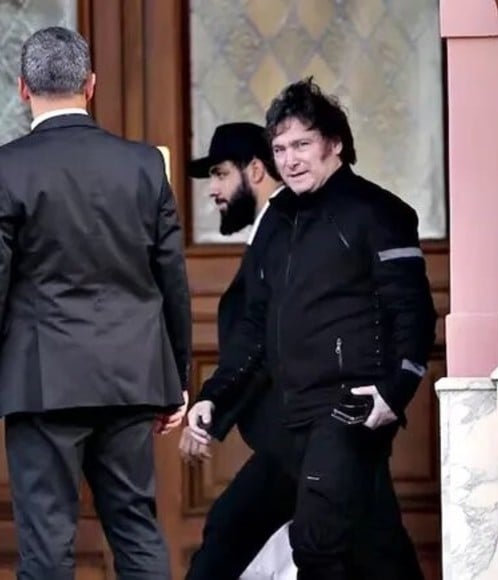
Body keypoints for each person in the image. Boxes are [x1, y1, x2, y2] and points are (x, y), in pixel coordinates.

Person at [0, 26, 190, 580]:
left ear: (22, 88)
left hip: (42, 380)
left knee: (47, 543)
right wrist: (177, 375)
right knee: (136, 531)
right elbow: (171, 276)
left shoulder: (1, 169)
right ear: (91, 84)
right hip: (131, 375)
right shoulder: (144, 164)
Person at [182, 77, 436, 579]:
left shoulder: (377, 212)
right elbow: (254, 327)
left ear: (334, 144)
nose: (291, 159)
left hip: (346, 412)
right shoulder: (277, 221)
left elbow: (414, 312)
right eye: (280, 149)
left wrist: (394, 394)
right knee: (236, 527)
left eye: (302, 145)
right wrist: (214, 396)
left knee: (319, 545)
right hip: (289, 419)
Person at [180, 122, 298, 580]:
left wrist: (213, 402)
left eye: (220, 173)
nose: (212, 190)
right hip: (294, 438)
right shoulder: (274, 227)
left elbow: (262, 336)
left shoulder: (284, 228)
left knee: (226, 536)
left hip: (295, 435)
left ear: (255, 169)